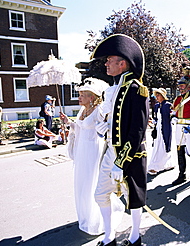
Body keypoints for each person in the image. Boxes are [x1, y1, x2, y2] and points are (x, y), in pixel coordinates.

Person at [91, 34, 149, 246]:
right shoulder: (114, 89)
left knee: (134, 198)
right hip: (111, 153)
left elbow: (138, 130)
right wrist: (105, 127)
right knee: (100, 195)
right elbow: (117, 123)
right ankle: (109, 237)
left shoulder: (136, 89)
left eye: (109, 60)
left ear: (122, 63)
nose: (106, 63)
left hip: (130, 155)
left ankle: (135, 238)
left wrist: (121, 161)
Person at [59, 77, 117, 235]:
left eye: (82, 94)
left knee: (92, 183)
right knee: (82, 182)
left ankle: (96, 217)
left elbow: (104, 129)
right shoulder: (81, 111)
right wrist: (68, 122)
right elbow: (79, 128)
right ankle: (85, 215)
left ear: (92, 97)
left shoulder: (98, 110)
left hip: (93, 150)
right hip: (81, 150)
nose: (79, 97)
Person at [147, 88, 175, 175]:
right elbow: (156, 118)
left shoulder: (168, 105)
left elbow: (173, 116)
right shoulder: (156, 106)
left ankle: (158, 166)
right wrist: (153, 122)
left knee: (164, 146)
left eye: (158, 95)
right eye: (156, 95)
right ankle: (157, 165)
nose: (156, 97)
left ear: (162, 96)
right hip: (158, 129)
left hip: (165, 128)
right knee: (157, 146)